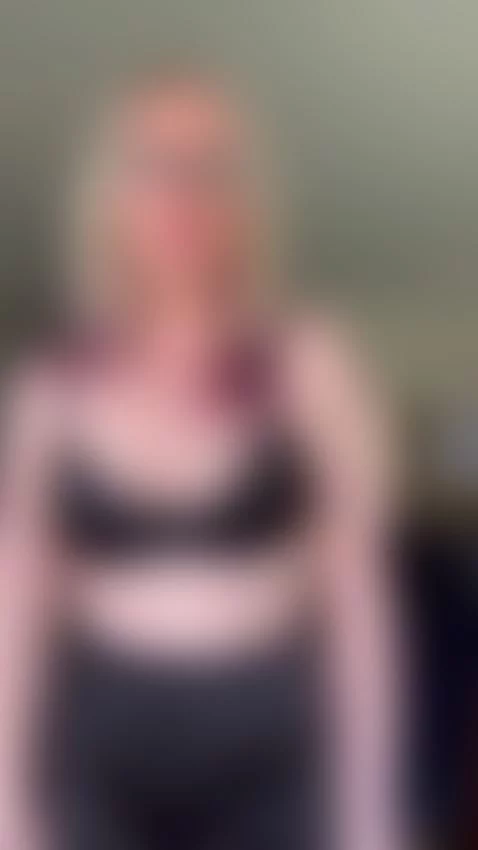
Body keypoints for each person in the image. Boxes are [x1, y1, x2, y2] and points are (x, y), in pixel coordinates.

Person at [0, 66, 406, 850]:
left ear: (249, 197)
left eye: (213, 166)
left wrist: (372, 815)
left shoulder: (315, 363)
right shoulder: (48, 385)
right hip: (95, 743)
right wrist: (5, 805)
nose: (184, 194)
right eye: (154, 165)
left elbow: (361, 603)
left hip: (271, 743)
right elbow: (16, 604)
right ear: (108, 195)